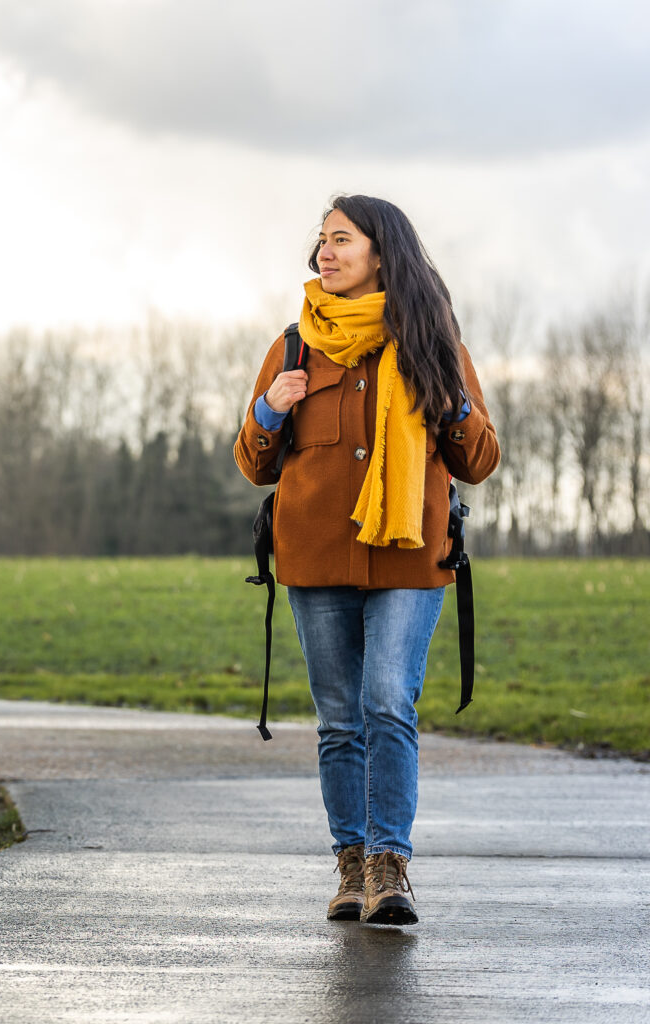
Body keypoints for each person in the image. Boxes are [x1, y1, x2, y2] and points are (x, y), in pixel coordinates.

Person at [232, 195, 500, 925]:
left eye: (341, 239)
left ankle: (391, 865)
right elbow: (254, 464)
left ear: (381, 252)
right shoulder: (293, 347)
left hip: (411, 560)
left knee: (388, 701)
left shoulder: (432, 344)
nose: (326, 250)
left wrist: (451, 404)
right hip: (315, 561)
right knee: (340, 720)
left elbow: (479, 459)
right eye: (321, 240)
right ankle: (350, 865)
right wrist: (268, 413)